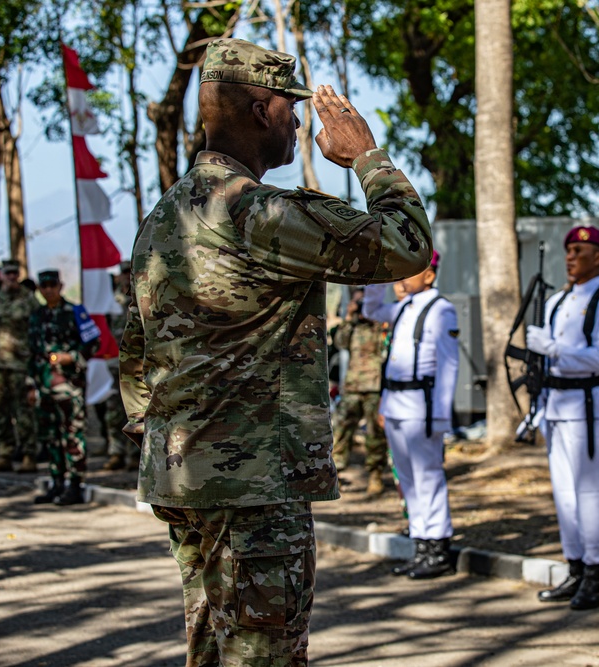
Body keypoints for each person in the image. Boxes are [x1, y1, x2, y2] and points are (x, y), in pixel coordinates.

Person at [118, 37, 432, 667]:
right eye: (292, 107)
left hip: (187, 479)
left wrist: (171, 442)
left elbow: (136, 352)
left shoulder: (164, 216)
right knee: (262, 657)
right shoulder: (255, 213)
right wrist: (366, 156)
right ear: (262, 111)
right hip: (253, 486)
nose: (300, 122)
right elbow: (408, 246)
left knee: (212, 651)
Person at [527, 225, 599, 610]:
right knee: (565, 495)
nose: (570, 257)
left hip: (590, 404)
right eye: (568, 250)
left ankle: (596, 573)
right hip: (557, 403)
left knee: (592, 494)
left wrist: (554, 348)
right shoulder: (557, 301)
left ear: (598, 257)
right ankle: (575, 566)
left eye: (579, 250)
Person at [362, 250, 459, 579]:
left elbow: (448, 366)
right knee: (408, 479)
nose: (403, 277)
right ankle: (421, 541)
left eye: (411, 271)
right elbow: (371, 309)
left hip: (422, 404)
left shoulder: (441, 310)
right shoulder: (404, 307)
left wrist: (442, 417)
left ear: (429, 275)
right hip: (397, 402)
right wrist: (379, 274)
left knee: (428, 475)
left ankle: (438, 545)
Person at [28, 269, 101, 506]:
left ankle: (75, 484)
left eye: (52, 285)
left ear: (60, 286)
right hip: (45, 386)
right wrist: (31, 385)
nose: (48, 289)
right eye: (44, 286)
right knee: (51, 437)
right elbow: (31, 353)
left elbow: (94, 342)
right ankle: (56, 482)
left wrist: (71, 358)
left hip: (70, 386)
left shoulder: (75, 312)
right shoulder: (37, 315)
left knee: (72, 435)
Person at [0, 259, 38, 474]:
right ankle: (5, 453)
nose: (12, 277)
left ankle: (28, 454)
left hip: (20, 363)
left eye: (15, 273)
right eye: (8, 273)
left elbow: (38, 328)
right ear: (1, 274)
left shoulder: (28, 299)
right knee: (0, 410)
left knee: (23, 411)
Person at [332, 288, 390, 498]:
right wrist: (348, 316)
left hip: (375, 386)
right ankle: (336, 472)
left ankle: (375, 475)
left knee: (375, 434)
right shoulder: (353, 326)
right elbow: (340, 342)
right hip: (353, 386)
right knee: (341, 429)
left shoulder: (380, 325)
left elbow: (387, 346)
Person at [102, 259, 137, 471]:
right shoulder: (110, 299)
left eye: (129, 272)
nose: (126, 276)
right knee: (112, 410)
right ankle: (116, 452)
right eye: (123, 272)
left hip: (135, 364)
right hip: (113, 362)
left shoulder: (140, 295)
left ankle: (134, 454)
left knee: (133, 409)